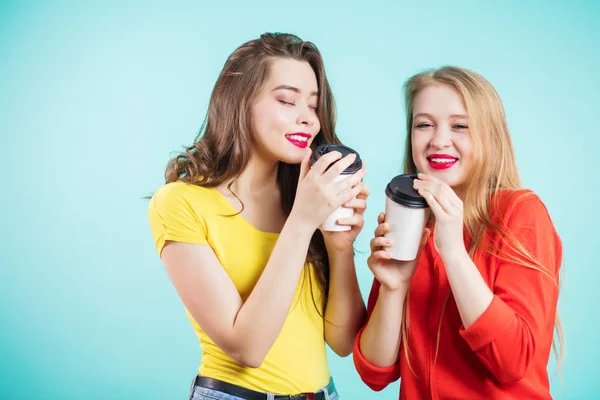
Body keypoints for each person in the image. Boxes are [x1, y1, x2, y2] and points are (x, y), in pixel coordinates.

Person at [148, 32, 368, 400]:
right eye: (286, 100)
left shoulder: (302, 197)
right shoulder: (180, 204)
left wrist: (338, 246)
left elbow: (343, 342)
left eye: (314, 106)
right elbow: (248, 348)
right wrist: (302, 221)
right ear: (239, 103)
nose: (308, 120)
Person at [354, 66, 563, 399]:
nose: (438, 140)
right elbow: (375, 373)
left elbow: (513, 362)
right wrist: (393, 287)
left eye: (459, 126)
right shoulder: (409, 219)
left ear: (489, 136)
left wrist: (453, 252)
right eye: (424, 124)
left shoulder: (520, 212)